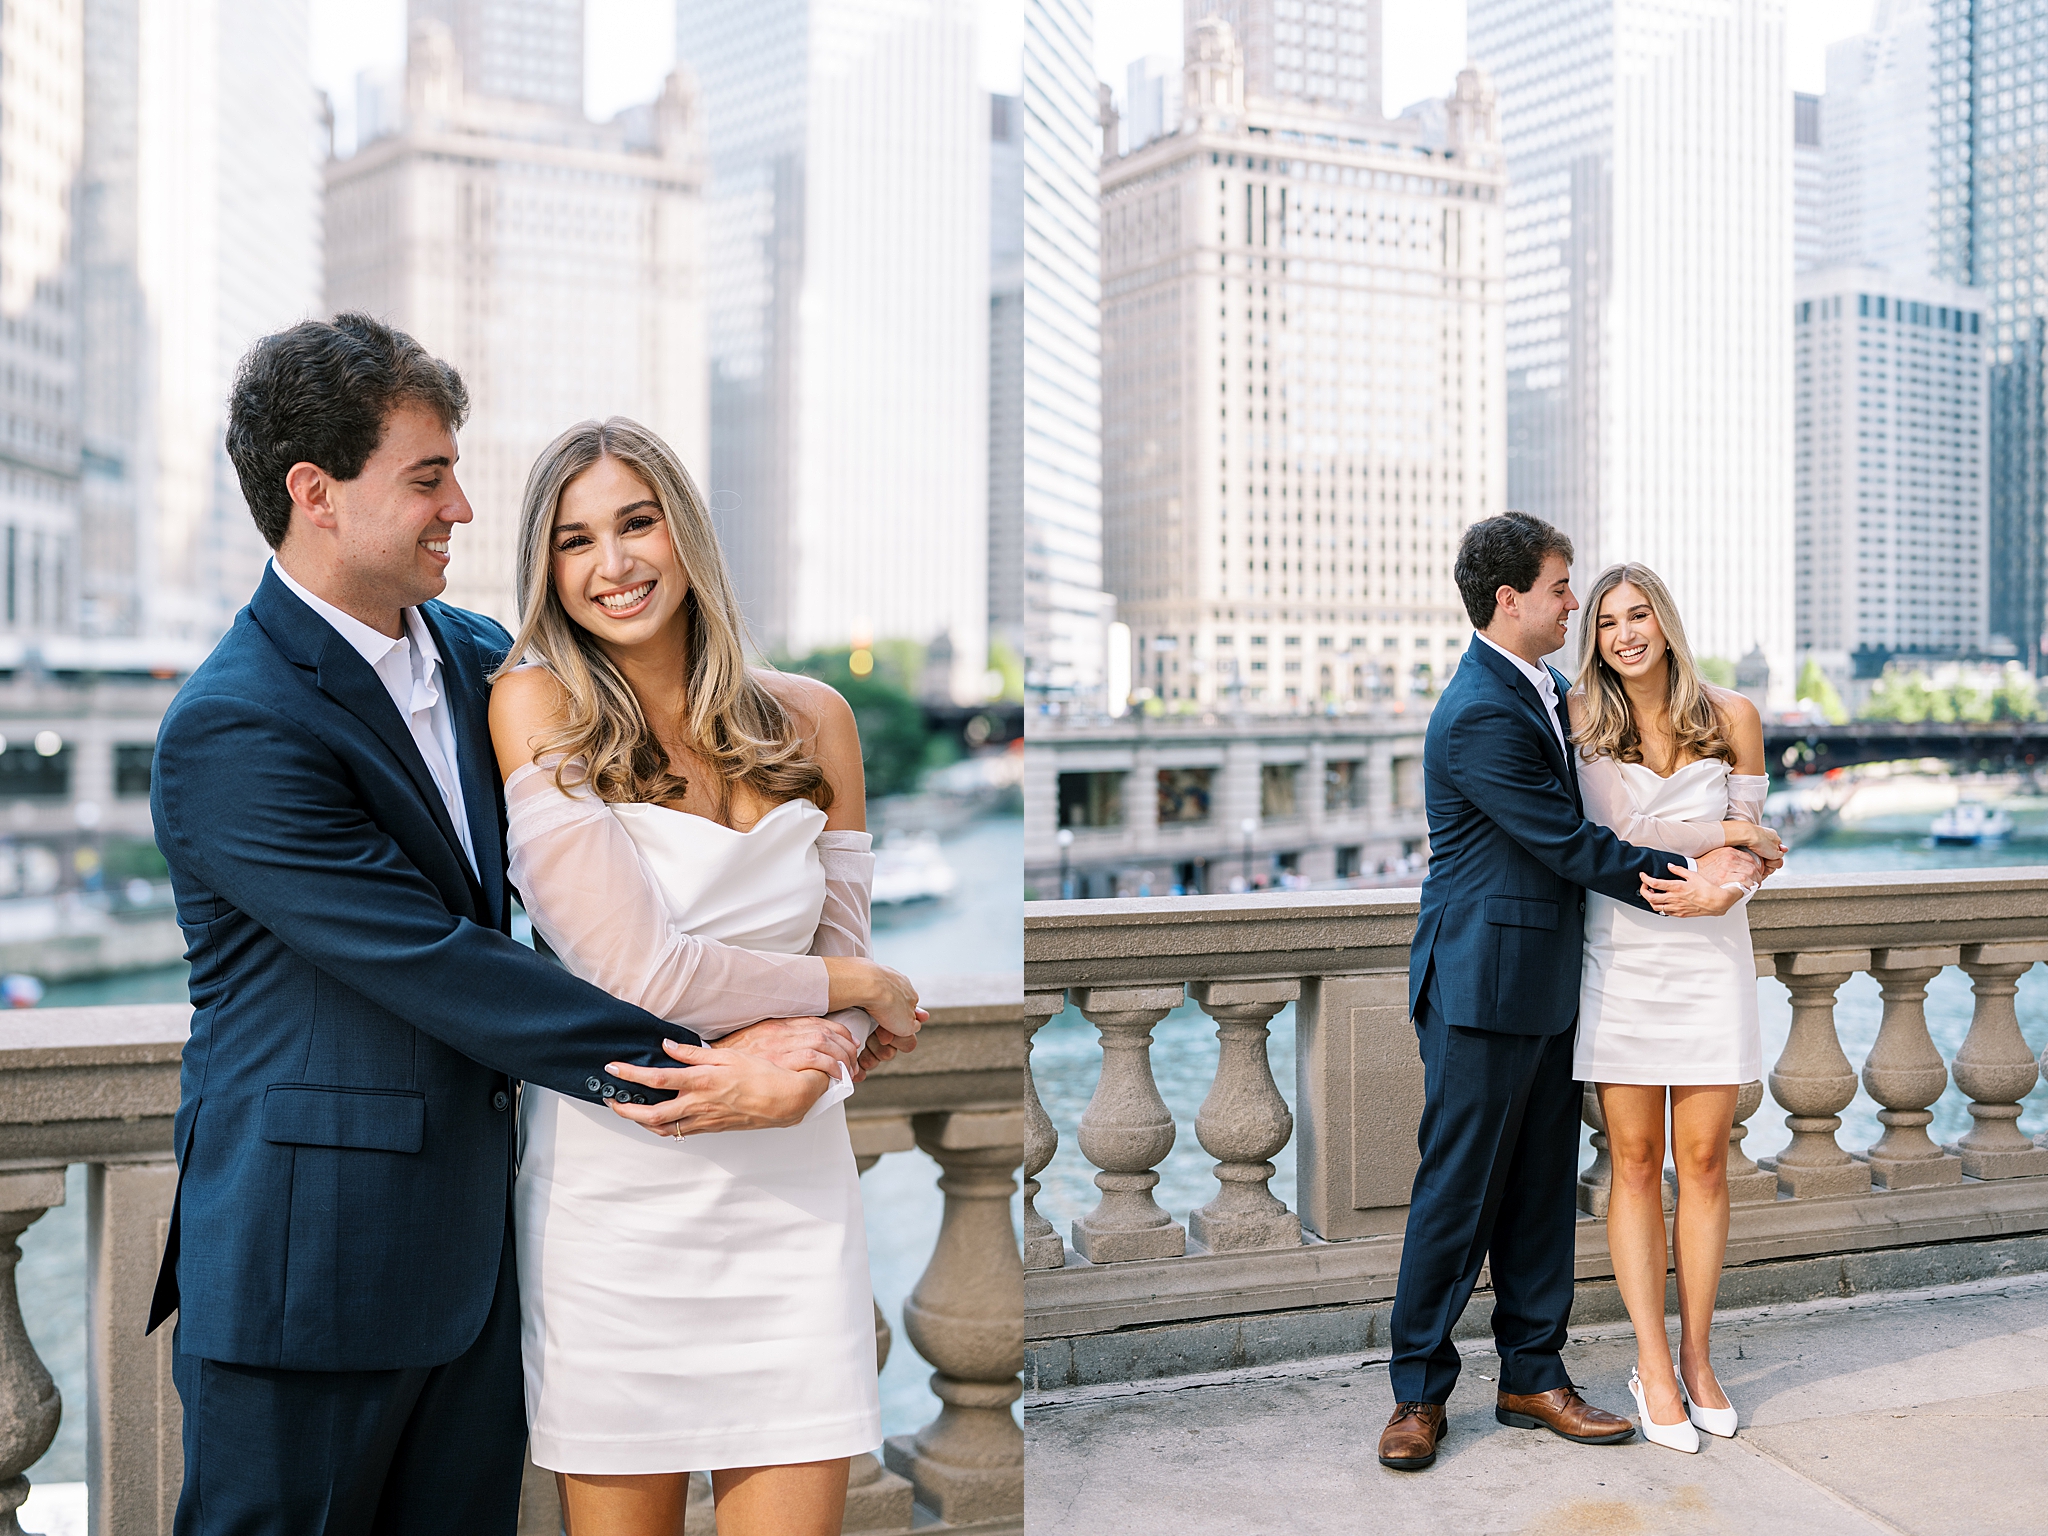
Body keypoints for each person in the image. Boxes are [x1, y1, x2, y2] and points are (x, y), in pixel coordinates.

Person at [147, 314, 920, 1535]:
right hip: (316, 1260)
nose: (461, 504)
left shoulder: (480, 662)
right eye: (427, 476)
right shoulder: (232, 726)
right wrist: (758, 1052)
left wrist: (803, 1061)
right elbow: (444, 965)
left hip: (481, 1254)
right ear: (317, 494)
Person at [489, 418, 889, 1534]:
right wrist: (855, 995)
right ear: (546, 569)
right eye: (574, 541)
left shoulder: (818, 718)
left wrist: (814, 1074)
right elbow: (636, 972)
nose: (612, 565)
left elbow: (841, 944)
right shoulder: (533, 707)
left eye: (635, 521)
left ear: (686, 531)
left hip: (793, 1192)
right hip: (618, 1194)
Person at [1376, 512, 1771, 1473]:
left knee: (1543, 1193)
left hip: (1561, 982)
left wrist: (1741, 854)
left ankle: (1531, 1376)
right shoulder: (1478, 710)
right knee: (1457, 1195)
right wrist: (1716, 864)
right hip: (1481, 984)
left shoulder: (1552, 690)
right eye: (1564, 590)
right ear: (1510, 598)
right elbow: (1571, 843)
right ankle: (1418, 1394)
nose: (1574, 604)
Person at [1569, 562, 1782, 1453]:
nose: (1625, 633)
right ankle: (1650, 1367)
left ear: (1665, 622)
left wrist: (1724, 887)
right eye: (1608, 620)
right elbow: (1608, 841)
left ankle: (1698, 1360)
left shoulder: (1733, 716)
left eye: (1639, 615)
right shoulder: (1578, 718)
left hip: (1707, 958)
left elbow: (1764, 846)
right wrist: (1722, 837)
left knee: (1703, 1162)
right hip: (1617, 958)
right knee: (1632, 1159)